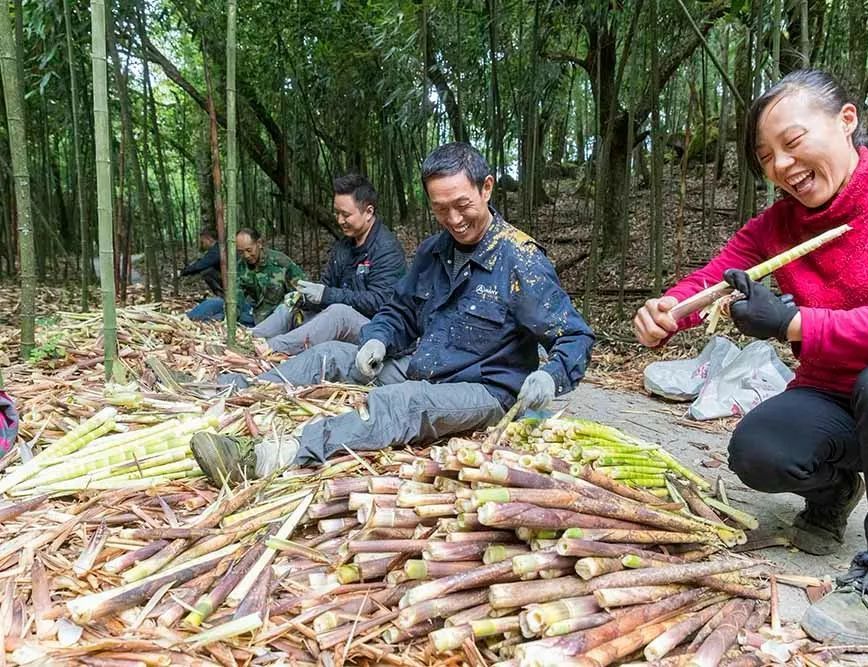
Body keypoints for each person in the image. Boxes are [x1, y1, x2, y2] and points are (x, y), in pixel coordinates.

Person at [634, 69, 868, 647]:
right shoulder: (777, 224)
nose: (781, 165)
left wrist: (792, 322)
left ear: (846, 121)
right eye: (766, 156)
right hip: (836, 398)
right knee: (759, 449)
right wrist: (669, 310)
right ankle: (832, 493)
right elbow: (714, 278)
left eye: (793, 141)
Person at [196, 143, 594, 479]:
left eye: (462, 205)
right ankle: (239, 389)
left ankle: (270, 457)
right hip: (423, 366)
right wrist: (378, 338)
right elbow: (399, 311)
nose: (453, 220)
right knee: (333, 353)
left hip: (485, 391)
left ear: (486, 188)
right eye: (441, 209)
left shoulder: (520, 259)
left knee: (403, 403)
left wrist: (550, 376)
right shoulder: (433, 251)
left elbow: (573, 336)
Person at [250, 174, 406, 354]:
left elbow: (380, 302)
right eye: (337, 213)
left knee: (339, 313)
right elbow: (327, 286)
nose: (339, 220)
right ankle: (249, 338)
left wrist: (327, 295)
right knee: (292, 305)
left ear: (369, 212)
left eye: (346, 214)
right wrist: (306, 297)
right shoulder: (344, 246)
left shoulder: (386, 249)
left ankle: (272, 349)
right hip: (339, 318)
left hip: (377, 330)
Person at [186, 228, 305, 326]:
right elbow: (236, 297)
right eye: (241, 252)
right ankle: (184, 321)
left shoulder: (280, 262)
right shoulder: (240, 266)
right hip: (252, 312)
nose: (246, 255)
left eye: (249, 250)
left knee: (216, 318)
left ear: (259, 244)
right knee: (215, 304)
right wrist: (229, 320)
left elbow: (302, 291)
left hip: (275, 317)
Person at [180, 227, 223, 297]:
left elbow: (201, 265)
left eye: (203, 241)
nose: (202, 244)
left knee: (206, 271)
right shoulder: (217, 248)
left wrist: (183, 272)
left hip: (233, 280)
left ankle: (222, 296)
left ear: (209, 239)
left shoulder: (217, 250)